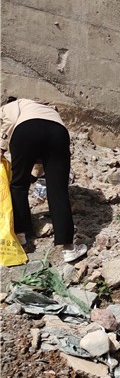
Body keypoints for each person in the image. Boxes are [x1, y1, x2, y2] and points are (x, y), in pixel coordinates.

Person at [0, 97, 87, 263]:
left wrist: (2, 146)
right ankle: (68, 248)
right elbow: (42, 158)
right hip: (58, 133)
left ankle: (21, 234)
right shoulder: (49, 110)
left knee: (18, 185)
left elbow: (9, 120)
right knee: (58, 190)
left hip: (26, 132)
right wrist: (34, 175)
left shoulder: (15, 104)